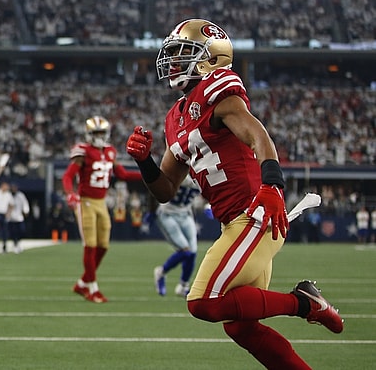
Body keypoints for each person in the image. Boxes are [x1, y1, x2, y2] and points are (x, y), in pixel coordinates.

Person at [125, 18, 343, 368]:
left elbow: (259, 137)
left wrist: (272, 186)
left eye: (185, 53)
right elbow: (164, 189)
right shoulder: (174, 118)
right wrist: (143, 162)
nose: (174, 62)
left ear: (211, 59)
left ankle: (304, 303)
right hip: (235, 224)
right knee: (241, 328)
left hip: (256, 214)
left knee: (202, 303)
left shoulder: (218, 92)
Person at [63, 115, 142, 303]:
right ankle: (92, 288)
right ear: (89, 134)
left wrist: (145, 175)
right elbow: (68, 176)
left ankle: (83, 283)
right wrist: (70, 194)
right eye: (95, 133)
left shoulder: (110, 152)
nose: (99, 136)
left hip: (102, 202)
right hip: (86, 202)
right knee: (89, 245)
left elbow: (121, 173)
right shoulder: (83, 152)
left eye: (101, 132)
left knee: (103, 246)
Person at [152, 175, 201, 297]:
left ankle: (183, 286)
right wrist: (151, 210)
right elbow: (155, 185)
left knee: (193, 253)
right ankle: (161, 272)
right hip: (168, 213)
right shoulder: (181, 170)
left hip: (186, 213)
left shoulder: (204, 173)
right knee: (185, 251)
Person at [7, 182, 30, 254]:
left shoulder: (20, 195)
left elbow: (25, 203)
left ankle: (18, 242)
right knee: (13, 232)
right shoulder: (8, 195)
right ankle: (15, 244)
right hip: (10, 217)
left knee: (21, 231)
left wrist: (26, 210)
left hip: (19, 217)